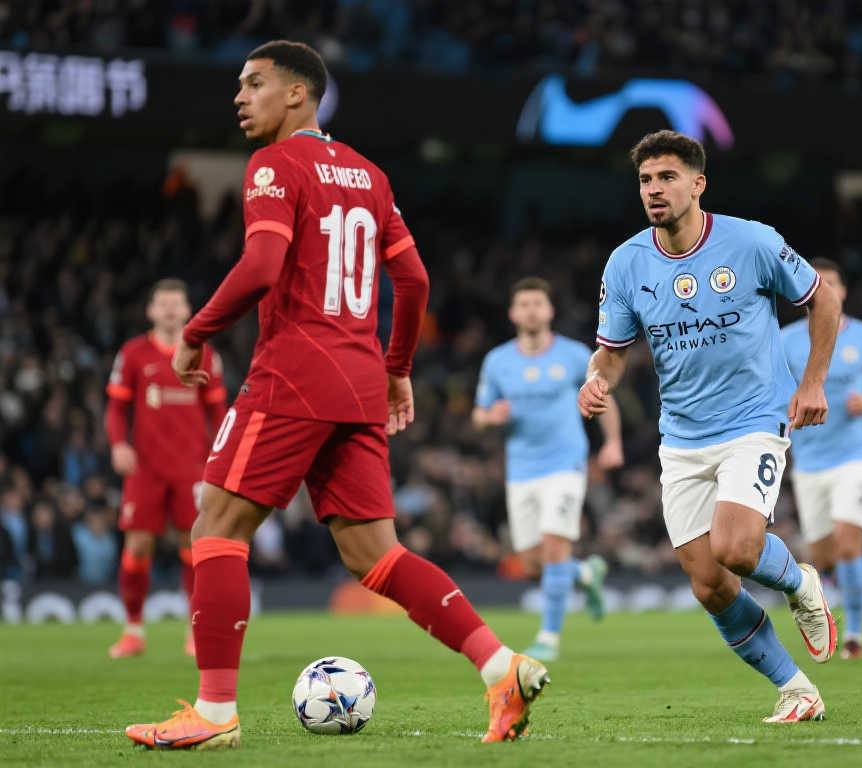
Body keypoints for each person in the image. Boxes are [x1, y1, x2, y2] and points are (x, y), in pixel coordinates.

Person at [125, 40, 547, 750]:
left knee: (216, 530)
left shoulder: (274, 165)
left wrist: (196, 333)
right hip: (357, 381)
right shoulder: (370, 175)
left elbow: (262, 265)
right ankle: (501, 666)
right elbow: (414, 281)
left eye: (254, 84)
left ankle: (215, 712)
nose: (239, 97)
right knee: (375, 554)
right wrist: (396, 367)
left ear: (297, 94)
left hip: (293, 373)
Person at [578, 129, 842, 723]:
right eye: (645, 180)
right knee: (710, 584)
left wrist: (813, 382)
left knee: (736, 548)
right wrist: (597, 380)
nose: (654, 189)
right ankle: (797, 691)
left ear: (698, 184)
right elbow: (613, 353)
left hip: (754, 419)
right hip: (682, 437)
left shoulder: (751, 241)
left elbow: (822, 300)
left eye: (667, 177)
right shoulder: (626, 262)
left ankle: (801, 585)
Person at [474, 276, 624, 662]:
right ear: (512, 313)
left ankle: (548, 638)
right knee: (530, 565)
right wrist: (491, 417)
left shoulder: (574, 355)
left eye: (537, 304)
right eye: (523, 305)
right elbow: (478, 415)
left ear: (550, 310)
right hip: (521, 469)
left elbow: (603, 396)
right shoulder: (498, 361)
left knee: (555, 545)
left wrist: (612, 443)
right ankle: (585, 574)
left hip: (565, 462)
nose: (531, 311)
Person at [781, 259, 862, 660]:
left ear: (843, 291)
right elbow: (772, 388)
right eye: (817, 284)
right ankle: (830, 598)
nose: (824, 290)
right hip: (809, 461)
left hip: (855, 456)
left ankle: (855, 634)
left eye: (831, 284)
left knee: (849, 545)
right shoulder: (785, 341)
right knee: (824, 557)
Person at [105, 278, 227, 658]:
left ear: (188, 310)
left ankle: (195, 632)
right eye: (163, 304)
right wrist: (118, 444)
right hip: (146, 468)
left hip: (192, 467)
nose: (171, 310)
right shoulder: (134, 353)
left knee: (194, 546)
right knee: (138, 545)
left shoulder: (204, 354)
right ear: (151, 310)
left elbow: (218, 411)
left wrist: (220, 456)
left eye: (177, 303)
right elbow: (116, 408)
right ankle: (133, 632)